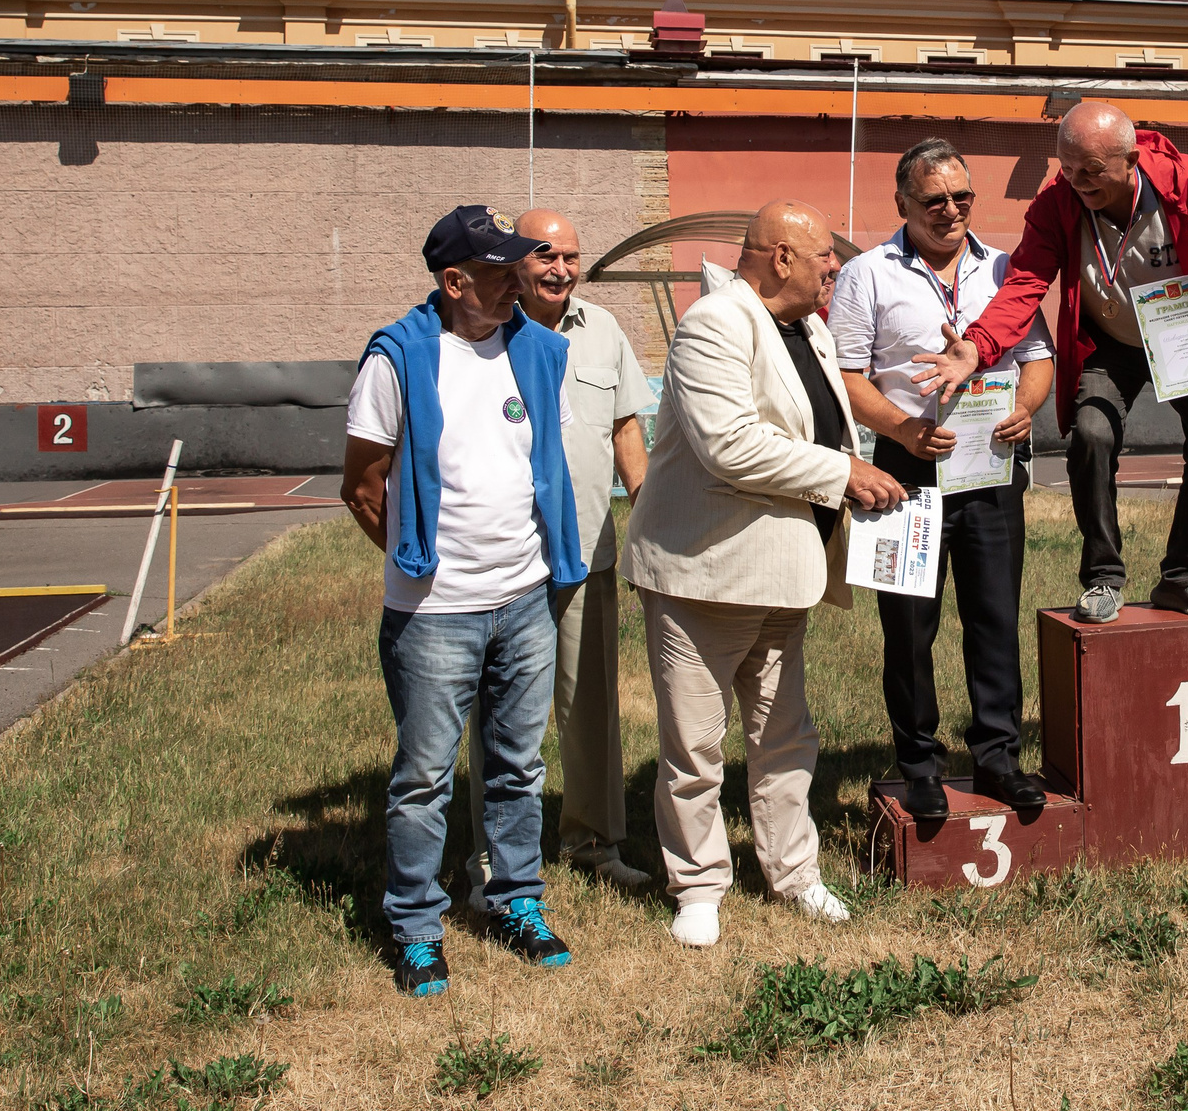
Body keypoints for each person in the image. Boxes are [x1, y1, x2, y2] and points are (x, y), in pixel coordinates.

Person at [618, 199, 908, 947]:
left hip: (785, 571)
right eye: (823, 260)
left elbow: (816, 425)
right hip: (703, 571)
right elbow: (731, 446)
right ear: (780, 256)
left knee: (785, 736)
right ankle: (699, 885)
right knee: (696, 745)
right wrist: (842, 473)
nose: (834, 271)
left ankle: (795, 873)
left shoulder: (808, 328)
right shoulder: (715, 324)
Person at [341, 205, 590, 997]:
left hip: (524, 598)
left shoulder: (540, 353)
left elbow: (545, 458)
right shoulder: (400, 358)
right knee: (425, 776)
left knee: (518, 763)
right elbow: (362, 486)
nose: (518, 280)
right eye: (498, 272)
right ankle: (415, 923)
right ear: (453, 281)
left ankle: (514, 899)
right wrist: (427, 567)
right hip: (434, 611)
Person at [916, 100, 1188, 622]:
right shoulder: (1057, 202)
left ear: (1130, 160)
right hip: (1109, 342)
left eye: (1092, 171)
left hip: (1186, 337)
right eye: (1068, 167)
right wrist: (976, 346)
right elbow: (1027, 281)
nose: (1077, 181)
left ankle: (1186, 574)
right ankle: (1103, 575)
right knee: (1092, 434)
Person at [829, 139, 1056, 823]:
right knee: (909, 626)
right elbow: (846, 375)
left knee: (994, 617)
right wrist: (900, 430)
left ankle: (997, 755)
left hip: (989, 467)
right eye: (935, 200)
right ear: (902, 203)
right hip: (904, 471)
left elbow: (1036, 356)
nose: (951, 211)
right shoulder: (867, 274)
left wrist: (1025, 408)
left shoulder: (1008, 268)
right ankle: (919, 762)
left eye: (963, 198)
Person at [512, 208, 656, 891]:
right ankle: (494, 847)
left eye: (570, 256)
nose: (560, 269)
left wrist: (650, 523)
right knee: (501, 707)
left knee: (590, 704)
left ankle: (593, 842)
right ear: (516, 260)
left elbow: (627, 428)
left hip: (589, 550)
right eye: (545, 255)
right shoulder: (485, 330)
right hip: (504, 560)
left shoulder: (600, 330)